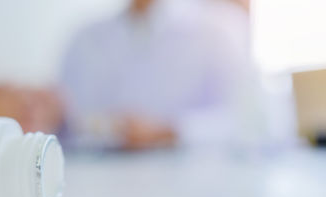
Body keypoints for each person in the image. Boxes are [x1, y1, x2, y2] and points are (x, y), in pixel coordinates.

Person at [60, 0, 263, 150]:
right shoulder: (85, 39)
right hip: (97, 191)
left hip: (198, 191)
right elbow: (69, 124)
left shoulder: (220, 28)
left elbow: (251, 125)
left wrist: (169, 131)